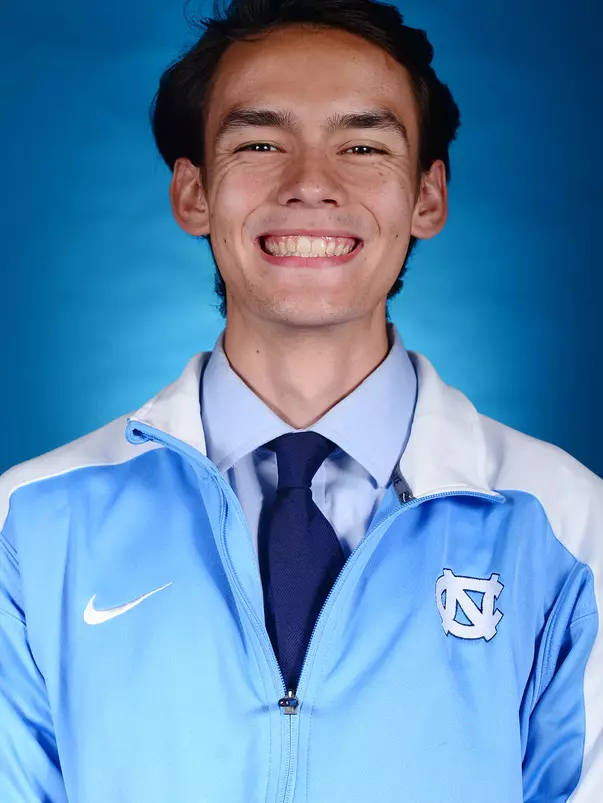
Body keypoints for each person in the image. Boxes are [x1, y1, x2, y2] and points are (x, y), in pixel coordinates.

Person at [0, 0, 601, 800]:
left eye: (361, 145)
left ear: (426, 197)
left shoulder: (566, 524)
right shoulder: (28, 524)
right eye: (258, 142)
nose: (311, 184)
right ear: (193, 194)